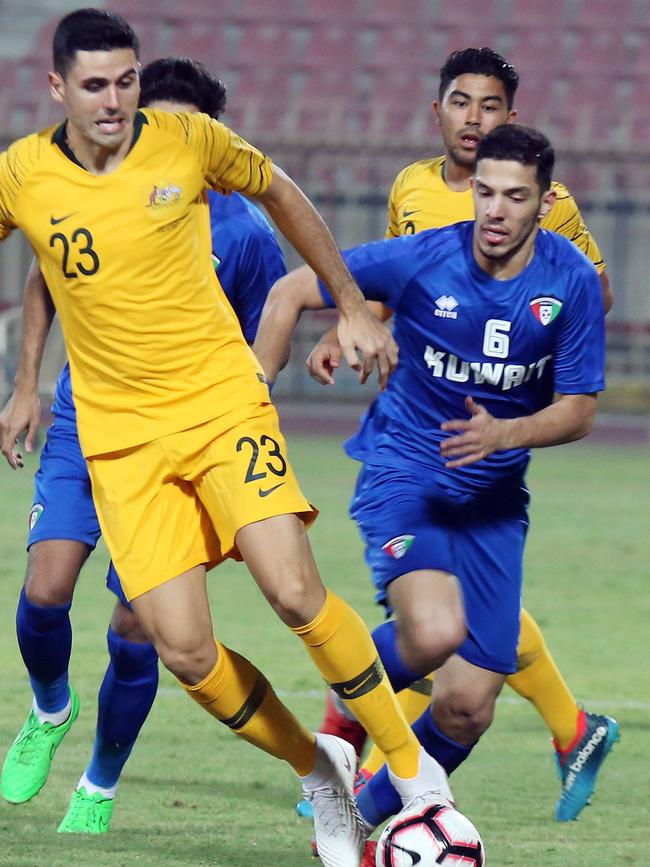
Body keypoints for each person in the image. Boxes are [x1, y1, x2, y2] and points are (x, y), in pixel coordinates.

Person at [0, 10, 449, 865]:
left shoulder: (188, 138)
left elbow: (283, 192)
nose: (114, 101)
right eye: (94, 84)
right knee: (184, 649)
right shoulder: (23, 174)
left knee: (290, 589)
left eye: (126, 80)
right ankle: (319, 769)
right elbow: (43, 271)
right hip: (120, 442)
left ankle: (414, 767)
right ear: (56, 87)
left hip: (217, 405)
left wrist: (351, 302)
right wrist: (26, 382)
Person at [253, 122, 609, 857]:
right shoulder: (424, 258)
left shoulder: (569, 280)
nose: (495, 210)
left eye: (515, 196)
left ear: (545, 203)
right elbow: (293, 287)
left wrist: (505, 436)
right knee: (437, 631)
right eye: (484, 192)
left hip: (494, 501)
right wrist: (263, 377)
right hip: (405, 472)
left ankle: (352, 816)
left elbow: (578, 410)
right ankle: (342, 717)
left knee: (469, 705)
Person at [0, 55, 288, 834]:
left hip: (182, 444)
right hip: (87, 420)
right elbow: (44, 280)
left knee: (139, 626)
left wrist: (230, 409)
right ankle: (49, 707)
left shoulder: (245, 233)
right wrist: (26, 385)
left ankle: (98, 781)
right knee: (43, 589)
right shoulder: (91, 187)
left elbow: (274, 329)